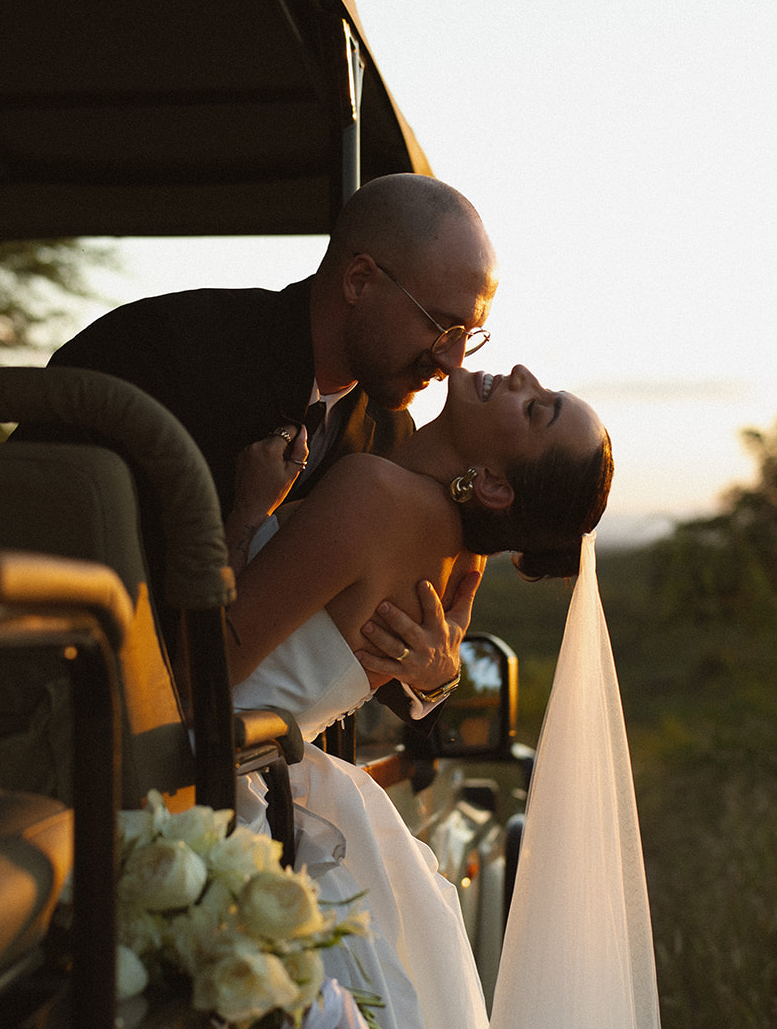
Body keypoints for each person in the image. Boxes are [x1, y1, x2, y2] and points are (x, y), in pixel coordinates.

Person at [229, 364, 680, 1029]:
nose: (517, 373)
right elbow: (365, 659)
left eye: (532, 410)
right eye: (540, 390)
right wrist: (424, 680)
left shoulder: (375, 496)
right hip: (316, 796)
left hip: (245, 781)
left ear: (487, 483)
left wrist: (248, 508)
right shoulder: (420, 517)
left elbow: (208, 662)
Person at [33, 172, 500, 711]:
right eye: (440, 326)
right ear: (359, 281)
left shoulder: (391, 438)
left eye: (470, 336)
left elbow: (348, 655)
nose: (451, 361)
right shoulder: (158, 351)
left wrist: (434, 675)